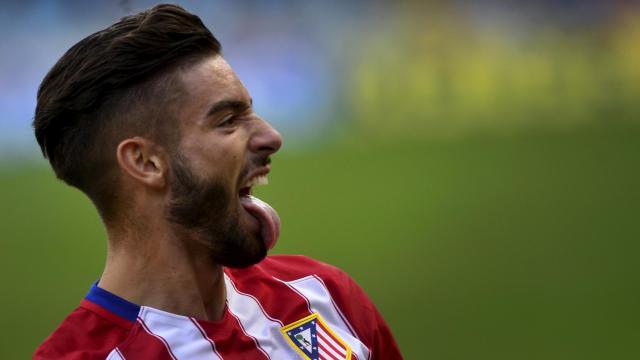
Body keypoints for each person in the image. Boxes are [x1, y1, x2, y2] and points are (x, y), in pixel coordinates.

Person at [32, 4, 401, 360]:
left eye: (250, 112)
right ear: (145, 162)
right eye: (228, 120)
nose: (271, 136)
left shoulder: (324, 297)